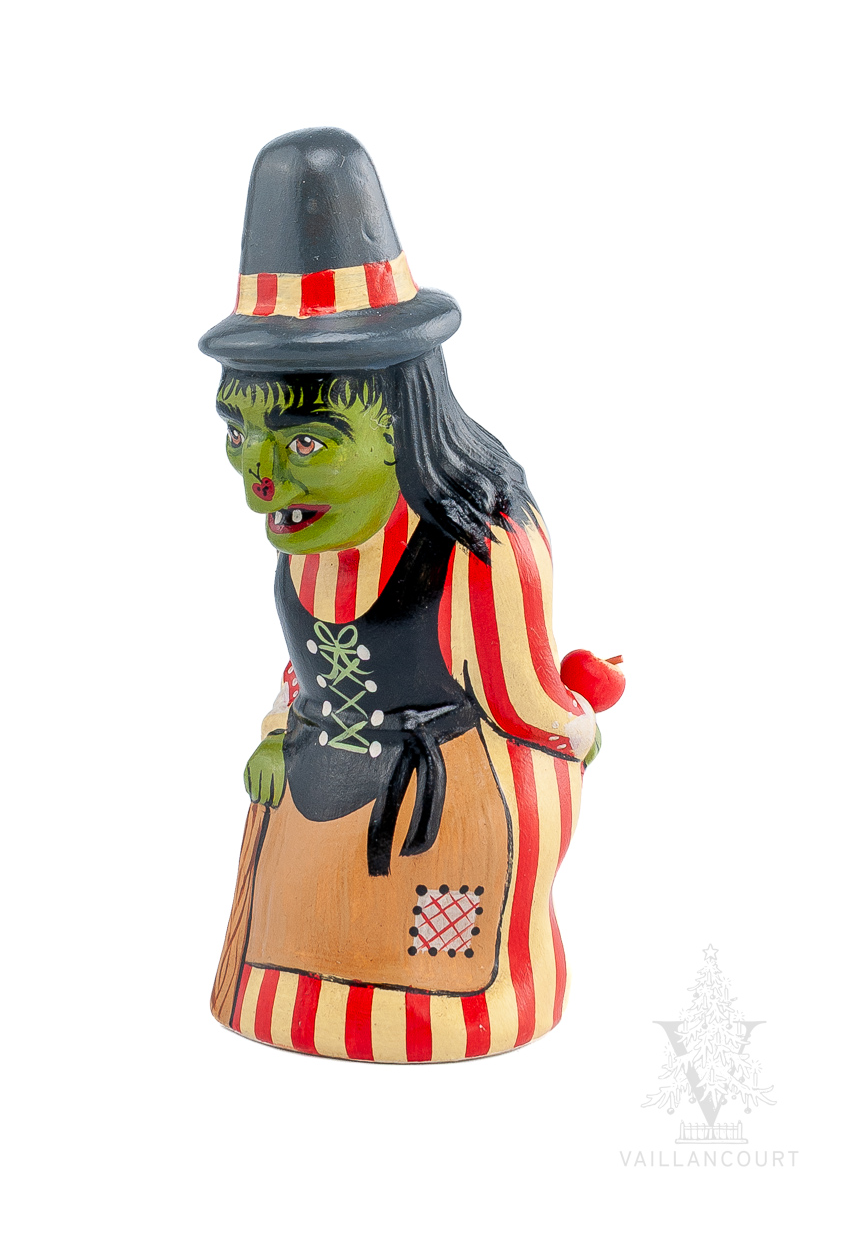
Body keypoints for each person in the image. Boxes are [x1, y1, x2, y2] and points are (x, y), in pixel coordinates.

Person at [200, 128, 601, 1062]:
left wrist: (577, 731)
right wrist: (277, 732)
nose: (260, 476)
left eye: (306, 441)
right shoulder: (306, 551)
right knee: (293, 930)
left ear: (399, 421)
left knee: (439, 956)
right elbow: (303, 671)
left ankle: (449, 1008)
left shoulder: (480, 550)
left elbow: (521, 701)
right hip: (316, 787)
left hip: (440, 805)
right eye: (240, 434)